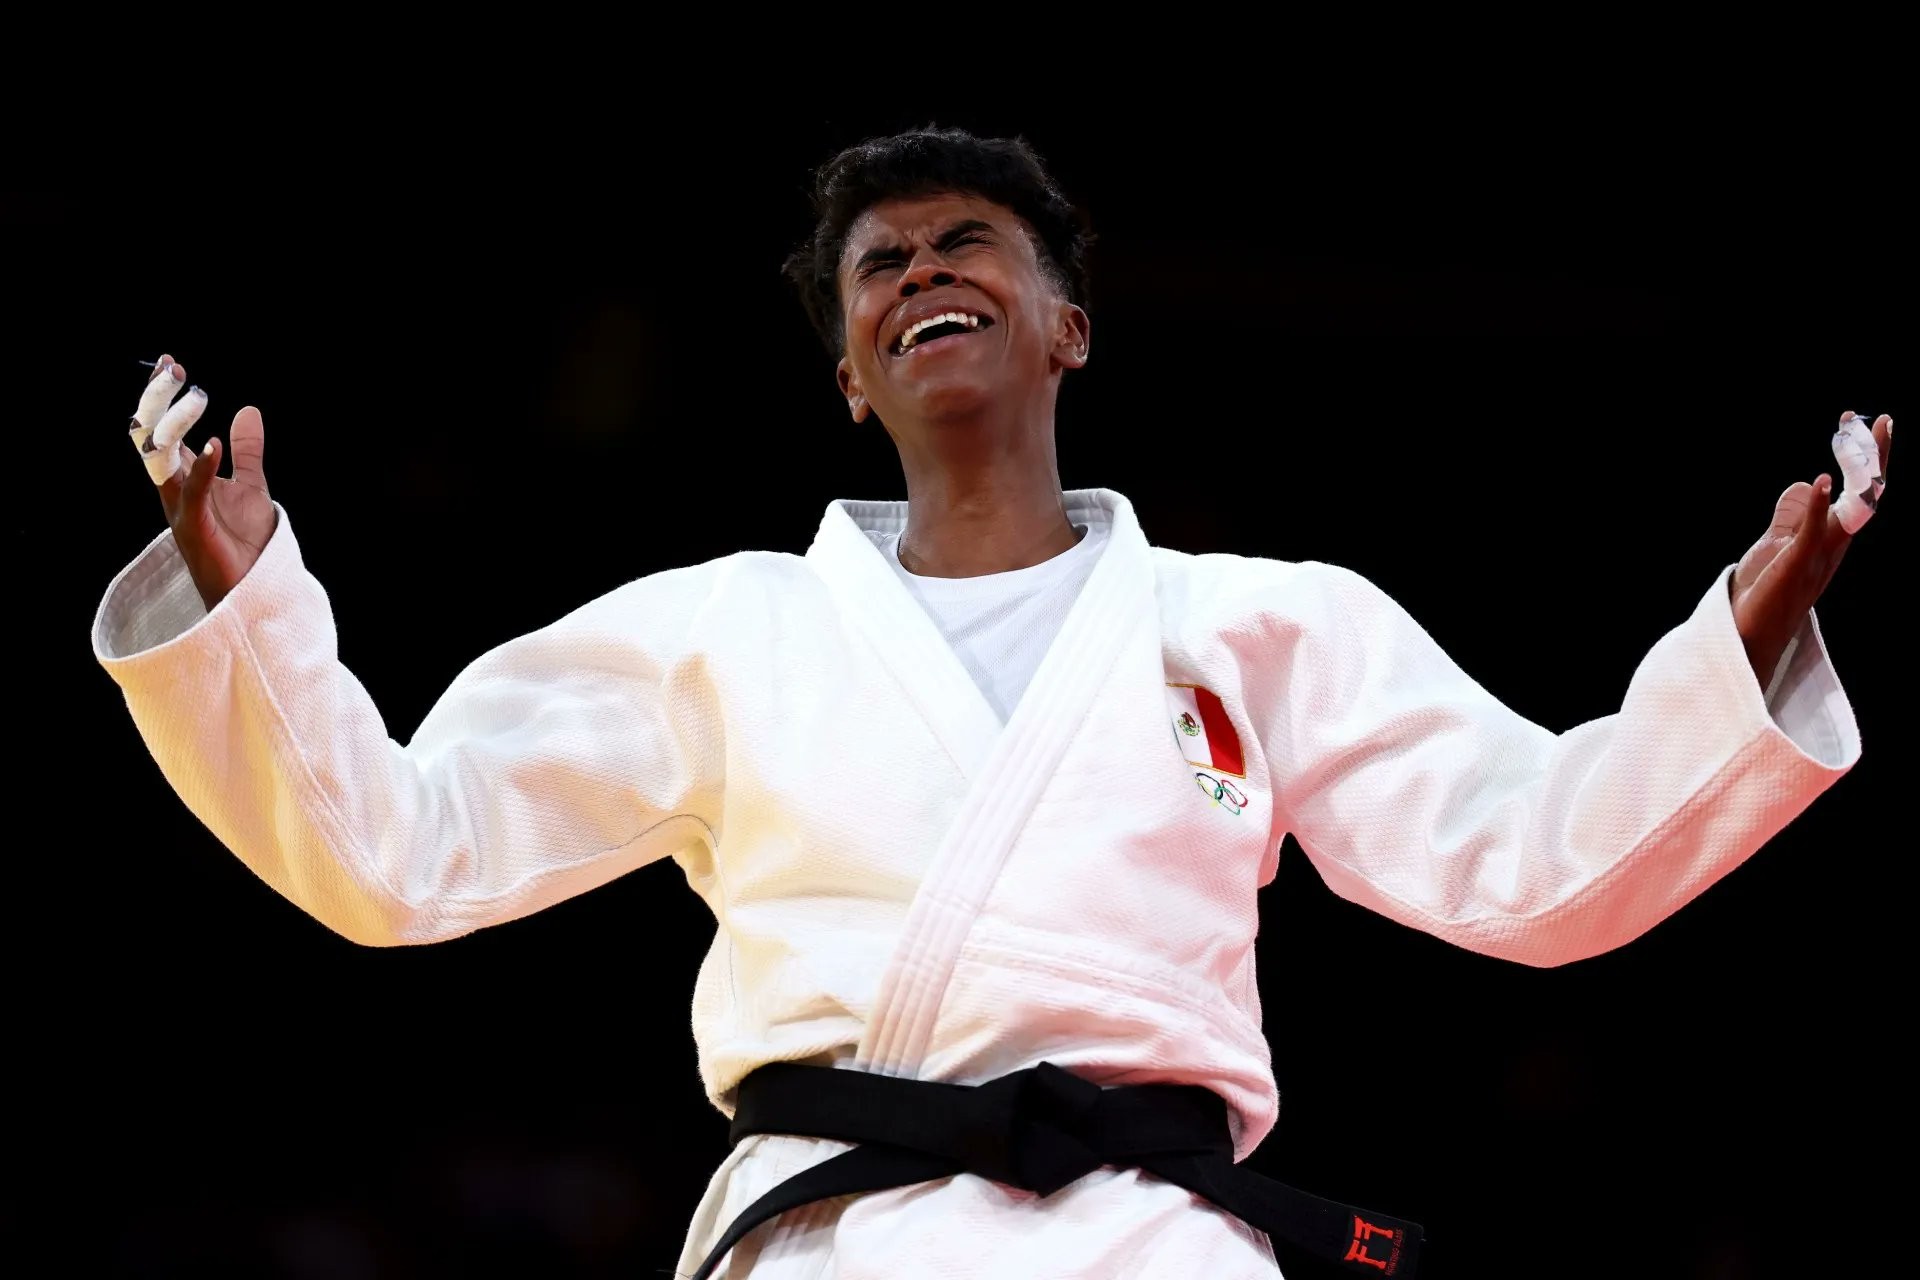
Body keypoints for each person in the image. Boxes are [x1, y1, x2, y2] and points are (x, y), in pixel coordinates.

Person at [92, 127, 1887, 1279]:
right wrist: (252, 612)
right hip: (831, 1238)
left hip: (1157, 1246)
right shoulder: (725, 633)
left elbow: (1541, 868)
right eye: (880, 267)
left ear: (1066, 326)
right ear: (851, 376)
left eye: (966, 244)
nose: (923, 272)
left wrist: (1740, 645)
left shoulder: (1253, 623)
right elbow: (400, 857)